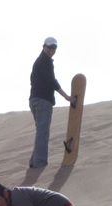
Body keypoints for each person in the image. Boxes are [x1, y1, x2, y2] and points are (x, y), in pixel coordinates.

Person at [28, 36, 74, 168]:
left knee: (41, 132)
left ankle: (33, 162)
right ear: (44, 46)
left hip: (35, 100)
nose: (51, 50)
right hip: (42, 101)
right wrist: (67, 97)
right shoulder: (45, 62)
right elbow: (52, 81)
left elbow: (34, 80)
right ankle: (40, 163)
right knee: (43, 132)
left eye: (54, 48)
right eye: (49, 47)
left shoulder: (39, 62)